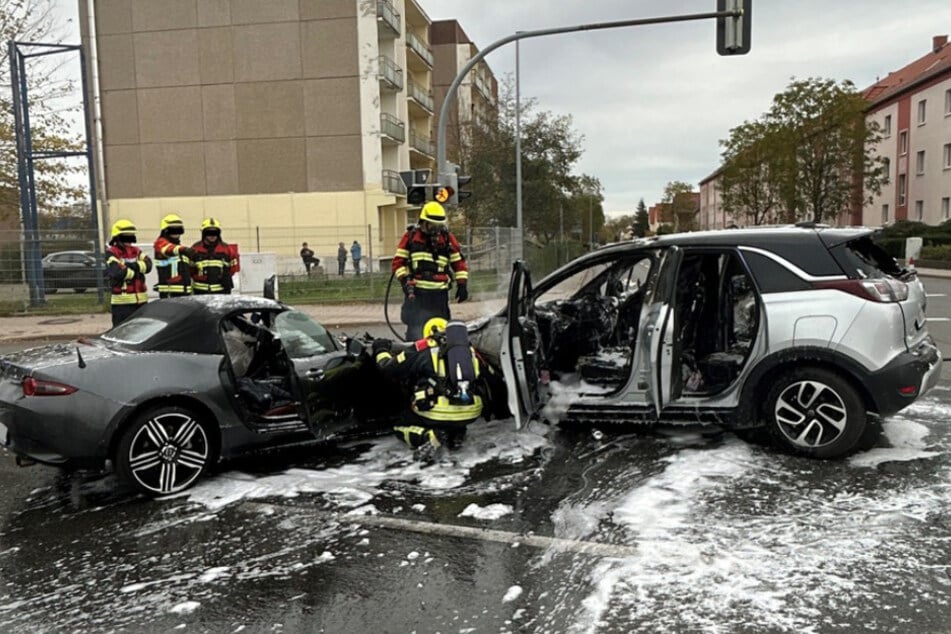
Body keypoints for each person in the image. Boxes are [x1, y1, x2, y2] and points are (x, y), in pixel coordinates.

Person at [372, 317, 484, 463]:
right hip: (470, 412)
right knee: (453, 422)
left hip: (437, 412)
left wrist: (381, 349)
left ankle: (427, 436)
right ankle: (456, 436)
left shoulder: (423, 348)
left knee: (400, 426)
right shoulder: (470, 351)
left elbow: (388, 368)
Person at [392, 201, 469, 340]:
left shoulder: (447, 239)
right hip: (417, 295)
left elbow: (459, 263)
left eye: (439, 225)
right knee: (416, 336)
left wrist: (462, 284)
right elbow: (398, 263)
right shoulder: (411, 237)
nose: (436, 229)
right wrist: (404, 280)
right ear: (423, 222)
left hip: (439, 295)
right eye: (432, 225)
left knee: (442, 334)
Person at [105, 219, 152, 327]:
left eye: (131, 236)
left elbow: (148, 265)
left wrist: (129, 266)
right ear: (117, 237)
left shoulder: (137, 251)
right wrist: (138, 273)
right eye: (126, 236)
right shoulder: (111, 252)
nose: (129, 239)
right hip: (122, 304)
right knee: (122, 332)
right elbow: (117, 272)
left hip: (141, 302)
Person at [190, 218, 239, 294]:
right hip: (200, 292)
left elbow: (233, 268)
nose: (212, 236)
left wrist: (225, 276)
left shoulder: (227, 249)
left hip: (221, 292)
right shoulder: (195, 249)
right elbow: (190, 269)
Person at [153, 213, 194, 298]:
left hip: (184, 293)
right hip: (169, 293)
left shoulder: (179, 249)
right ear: (165, 230)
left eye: (179, 230)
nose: (176, 233)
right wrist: (184, 250)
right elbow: (168, 249)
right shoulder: (160, 243)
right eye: (173, 230)